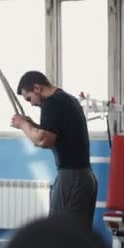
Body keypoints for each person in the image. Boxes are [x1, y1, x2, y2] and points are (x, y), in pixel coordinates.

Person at [10, 70, 97, 229]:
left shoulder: (51, 103)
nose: (31, 103)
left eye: (29, 98)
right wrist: (32, 124)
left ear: (37, 88)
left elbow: (43, 140)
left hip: (72, 178)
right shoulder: (68, 99)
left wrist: (23, 125)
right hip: (85, 177)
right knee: (79, 239)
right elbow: (56, 133)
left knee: (60, 235)